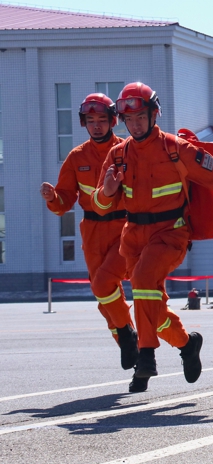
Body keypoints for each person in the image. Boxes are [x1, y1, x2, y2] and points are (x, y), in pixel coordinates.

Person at [95, 82, 213, 392]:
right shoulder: (116, 156)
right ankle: (187, 345)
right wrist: (108, 191)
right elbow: (101, 206)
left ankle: (146, 355)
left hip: (170, 234)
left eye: (141, 117)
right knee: (151, 309)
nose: (135, 124)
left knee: (141, 281)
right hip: (133, 238)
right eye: (129, 120)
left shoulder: (176, 149)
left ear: (154, 115)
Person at [40, 93, 138, 370]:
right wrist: (51, 198)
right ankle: (130, 345)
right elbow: (63, 203)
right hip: (92, 231)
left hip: (124, 227)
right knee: (104, 300)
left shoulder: (127, 149)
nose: (97, 126)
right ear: (84, 123)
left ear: (113, 121)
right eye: (91, 121)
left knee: (103, 284)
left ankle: (133, 340)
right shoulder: (76, 157)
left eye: (102, 120)